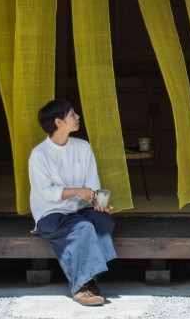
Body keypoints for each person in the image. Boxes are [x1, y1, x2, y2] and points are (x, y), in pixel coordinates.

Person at [29, 99, 117, 306]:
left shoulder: (82, 147)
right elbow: (47, 192)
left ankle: (89, 276)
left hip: (77, 210)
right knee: (84, 228)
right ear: (59, 122)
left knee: (104, 222)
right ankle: (81, 286)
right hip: (51, 215)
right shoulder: (39, 154)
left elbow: (92, 183)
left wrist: (98, 202)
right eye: (72, 114)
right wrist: (77, 191)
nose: (77, 117)